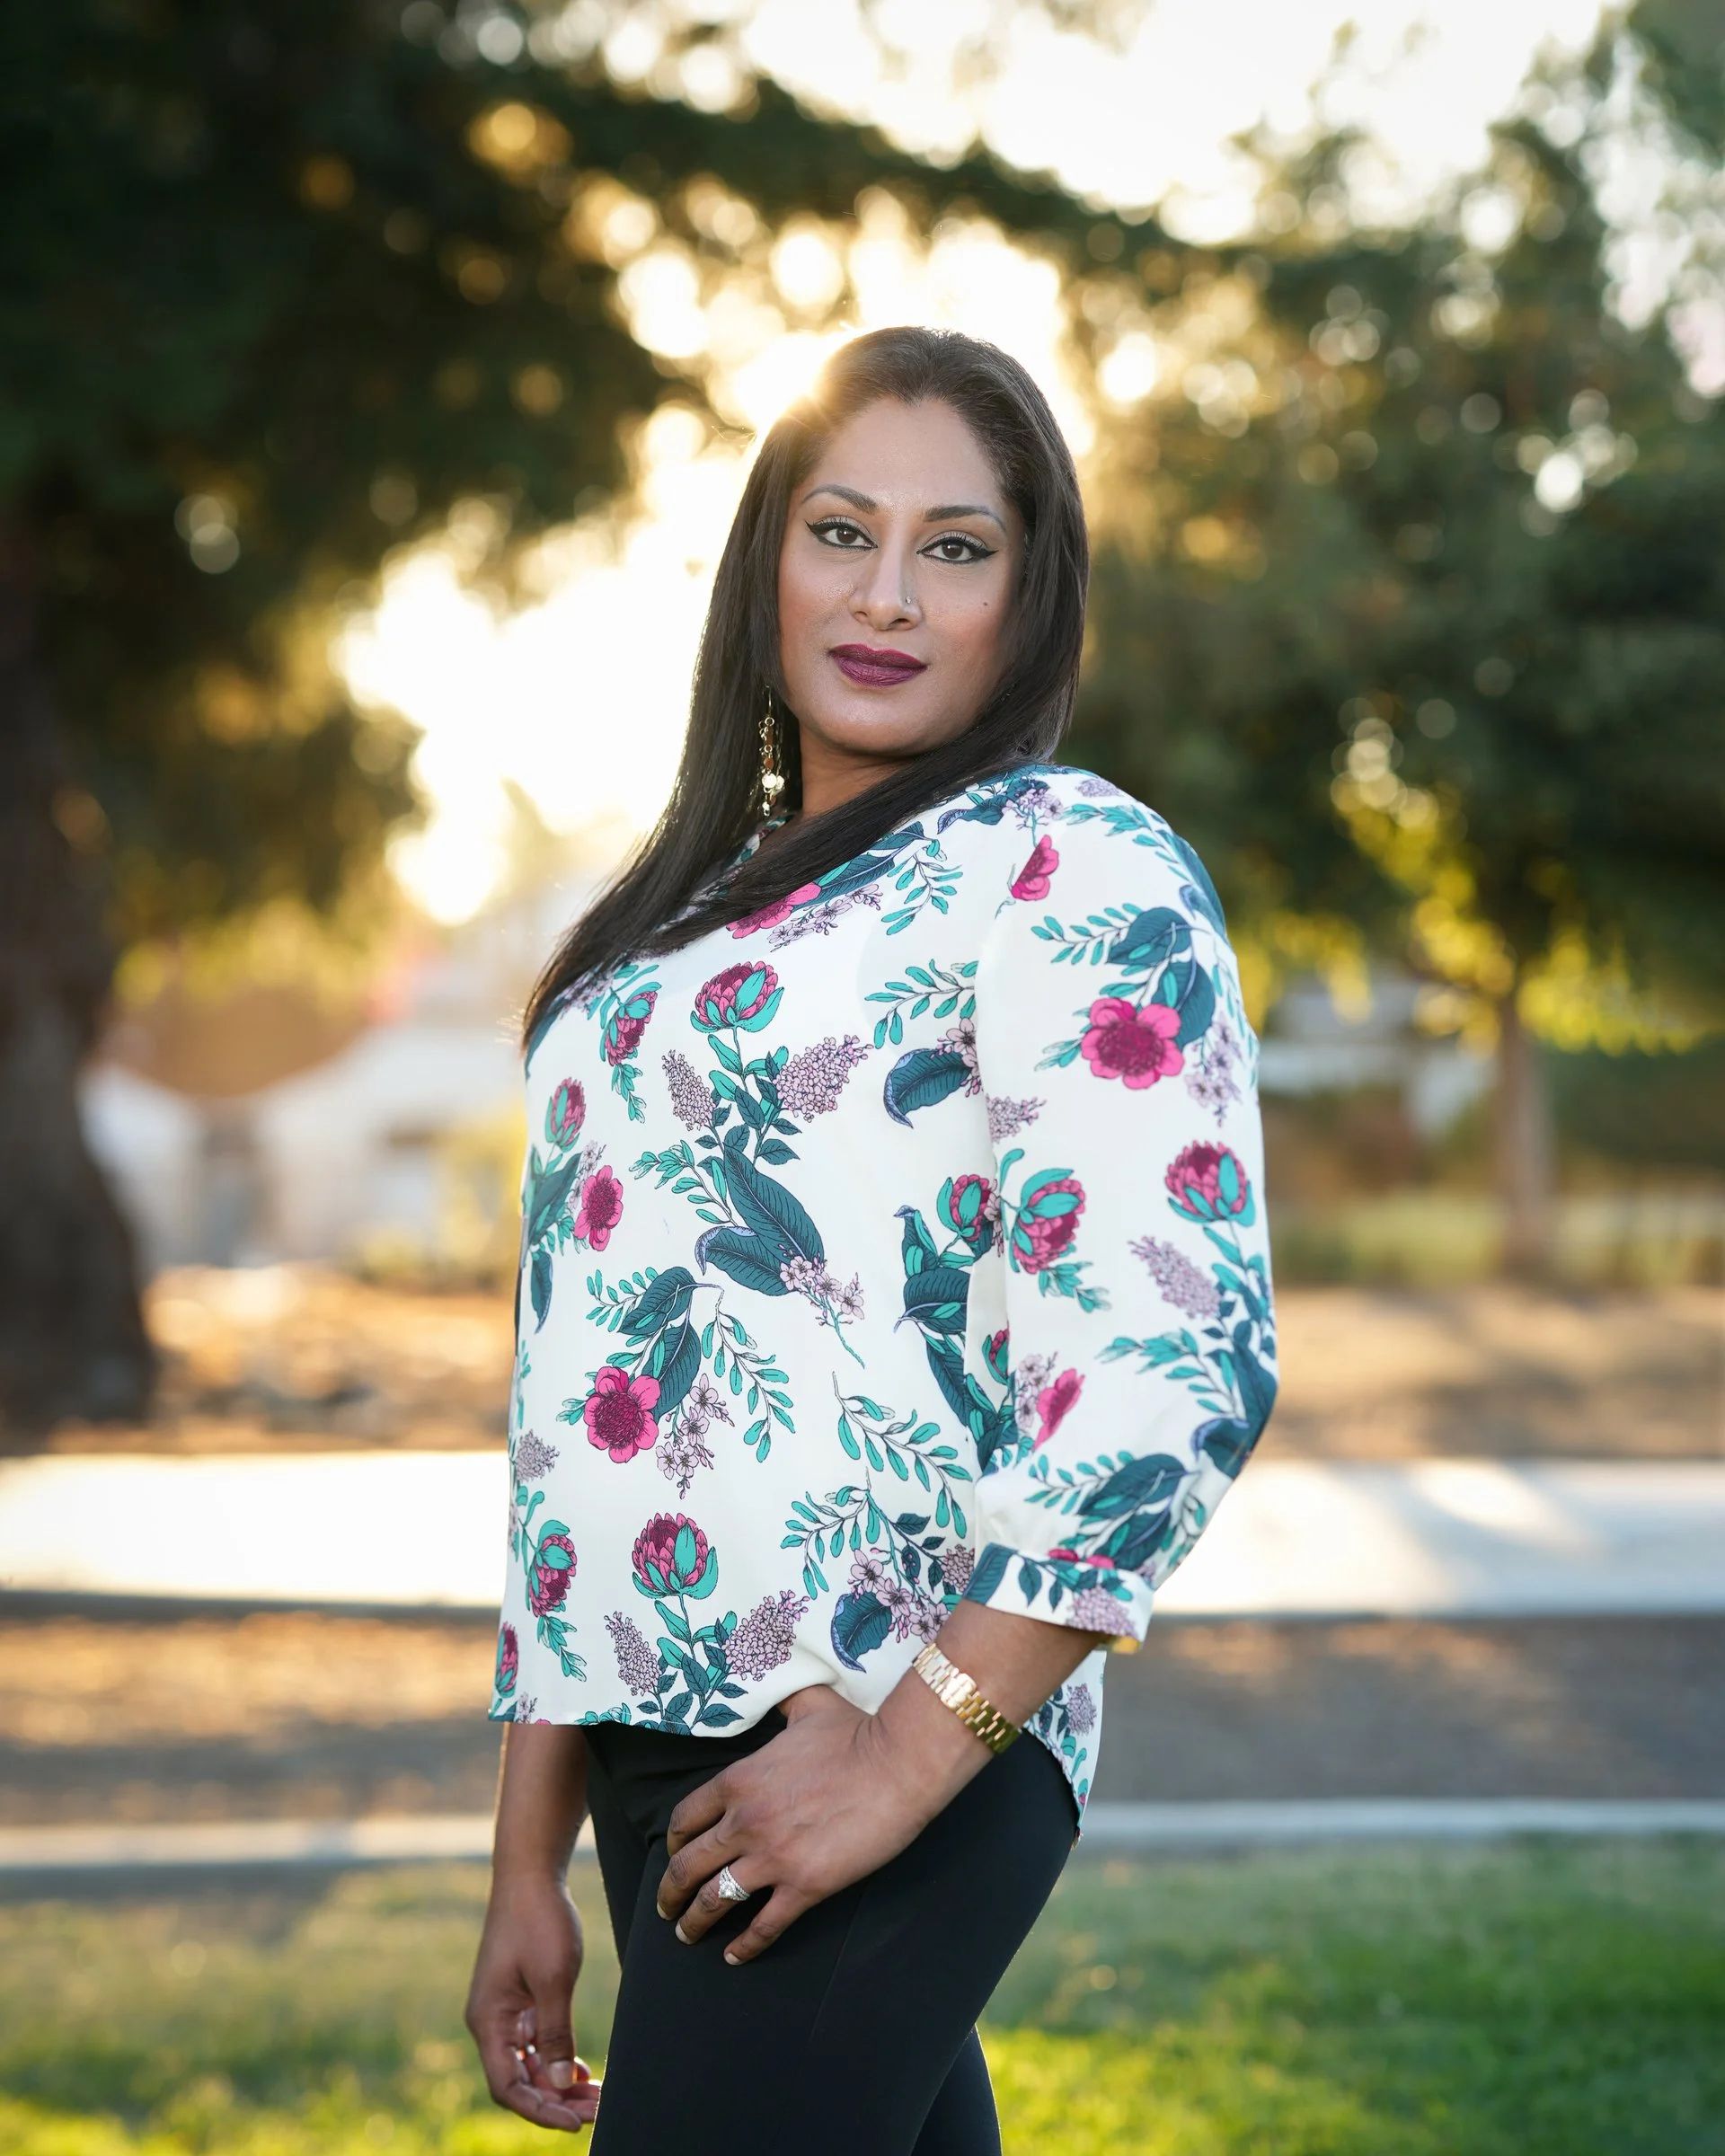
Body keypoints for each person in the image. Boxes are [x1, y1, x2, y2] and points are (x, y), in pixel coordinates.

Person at [464, 324, 1279, 2152]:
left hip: (886, 1724)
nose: (889, 593)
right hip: (641, 1749)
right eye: (841, 530)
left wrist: (909, 1754)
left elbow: (1182, 1357)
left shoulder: (1068, 863)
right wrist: (527, 1850)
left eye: (958, 546)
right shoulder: (657, 936)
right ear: (765, 562)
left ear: (1030, 590)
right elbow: (576, 1390)